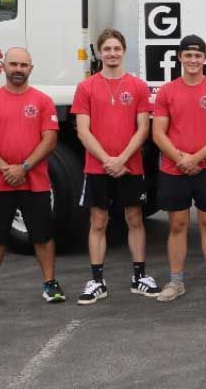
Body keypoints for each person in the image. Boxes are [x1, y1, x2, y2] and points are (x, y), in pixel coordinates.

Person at [0, 47, 64, 307]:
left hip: (36, 181)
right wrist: (5, 168)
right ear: (3, 66)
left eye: (23, 65)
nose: (18, 69)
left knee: (42, 235)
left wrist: (23, 167)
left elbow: (50, 139)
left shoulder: (43, 101)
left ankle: (50, 284)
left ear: (31, 69)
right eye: (13, 64)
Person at [71, 29, 159, 305]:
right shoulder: (86, 87)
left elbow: (143, 128)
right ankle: (97, 281)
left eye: (116, 48)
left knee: (134, 219)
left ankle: (139, 277)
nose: (111, 53)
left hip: (129, 167)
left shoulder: (137, 86)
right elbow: (83, 131)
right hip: (98, 168)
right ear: (98, 52)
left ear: (123, 51)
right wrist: (107, 160)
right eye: (106, 49)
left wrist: (122, 159)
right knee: (98, 222)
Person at [152, 35, 206, 301]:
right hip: (174, 167)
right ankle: (175, 282)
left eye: (198, 56)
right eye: (187, 55)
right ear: (179, 58)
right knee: (177, 224)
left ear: (205, 59)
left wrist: (196, 158)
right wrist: (181, 159)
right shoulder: (167, 91)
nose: (192, 60)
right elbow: (158, 133)